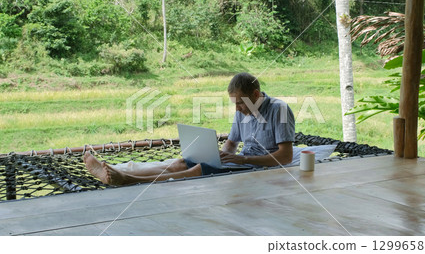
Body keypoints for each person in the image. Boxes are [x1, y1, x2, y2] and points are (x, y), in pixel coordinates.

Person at [84, 72, 296, 186]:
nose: (237, 108)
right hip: (242, 162)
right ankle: (116, 171)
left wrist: (245, 160)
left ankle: (128, 180)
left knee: (197, 171)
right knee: (182, 163)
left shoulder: (279, 110)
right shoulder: (243, 111)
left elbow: (285, 157)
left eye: (240, 103)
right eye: (234, 103)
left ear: (256, 95)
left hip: (260, 167)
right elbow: (232, 143)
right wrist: (218, 155)